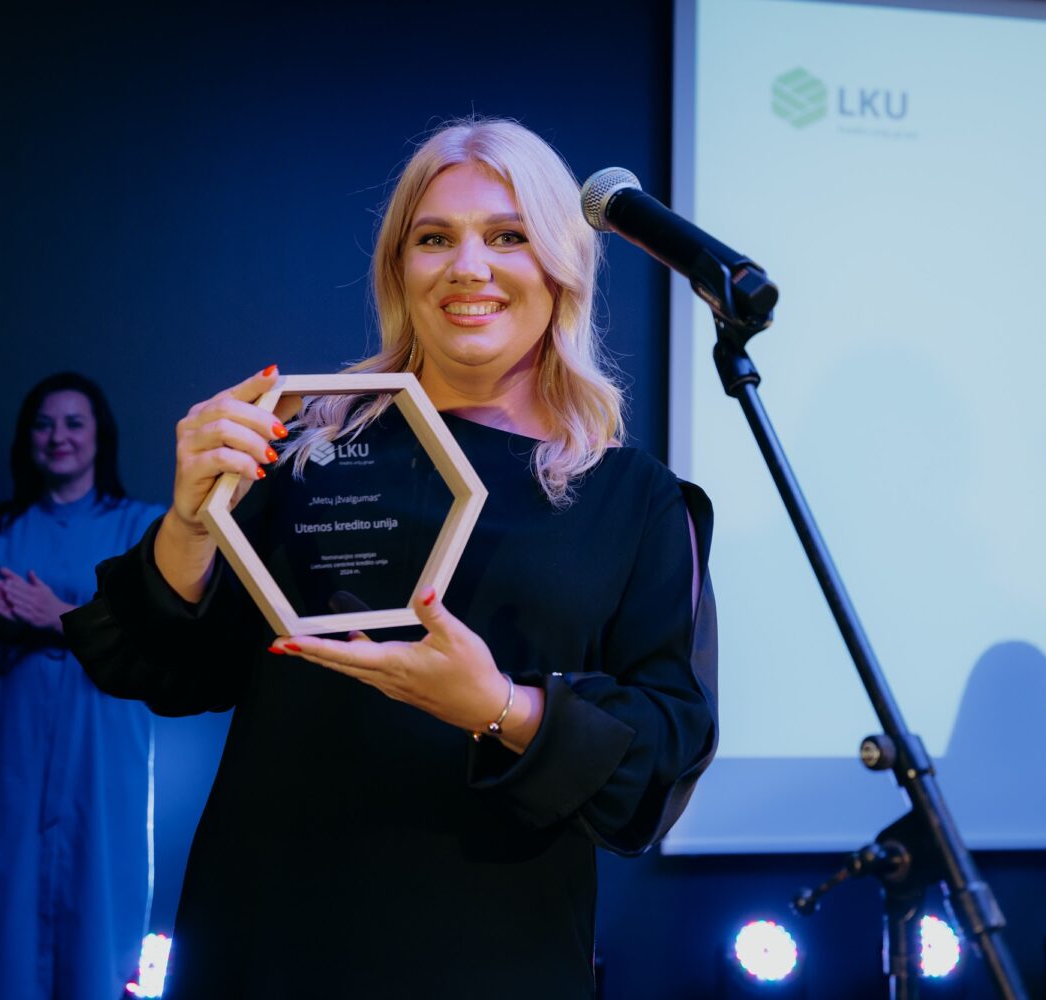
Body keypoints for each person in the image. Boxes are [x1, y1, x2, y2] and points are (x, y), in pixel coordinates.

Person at [63, 118, 718, 998]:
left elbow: (663, 755)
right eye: (434, 238)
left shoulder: (634, 501)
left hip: (492, 951)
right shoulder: (302, 451)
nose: (468, 267)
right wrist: (190, 522)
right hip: (270, 938)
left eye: (508, 236)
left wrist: (501, 707)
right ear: (398, 269)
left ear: (563, 265)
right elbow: (167, 669)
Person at [0, 372, 166, 1000]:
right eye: (43, 424)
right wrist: (13, 619)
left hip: (102, 745)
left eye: (73, 422)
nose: (58, 436)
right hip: (12, 748)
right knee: (3, 898)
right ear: (27, 438)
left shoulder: (142, 528)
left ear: (99, 435)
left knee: (98, 891)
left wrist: (57, 615)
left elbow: (153, 638)